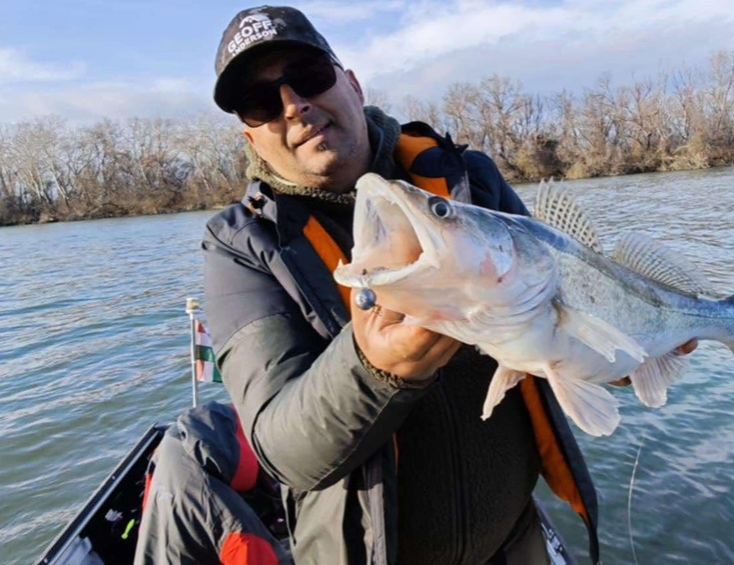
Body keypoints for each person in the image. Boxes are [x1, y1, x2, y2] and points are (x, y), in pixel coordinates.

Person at [137, 5, 697, 564]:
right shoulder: (239, 245)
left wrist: (630, 354)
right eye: (261, 103)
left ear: (351, 85)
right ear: (252, 138)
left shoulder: (469, 177)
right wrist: (373, 368)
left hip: (514, 539)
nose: (293, 105)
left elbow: (565, 311)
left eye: (308, 77)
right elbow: (281, 448)